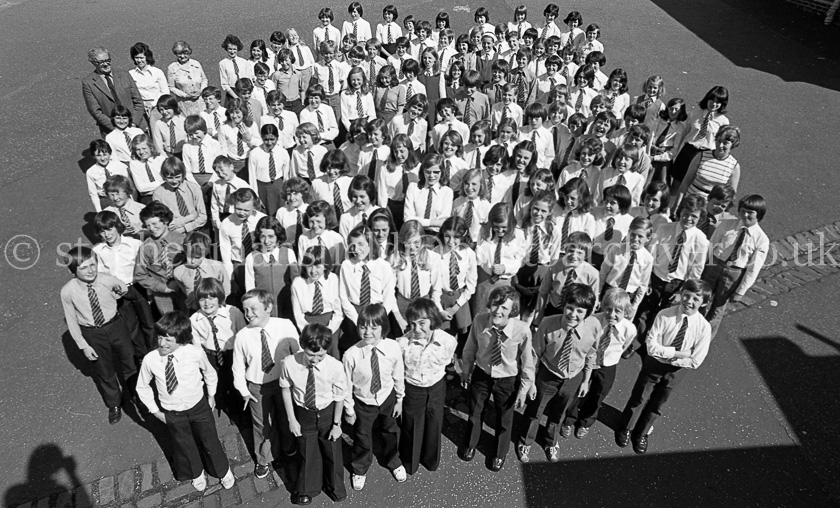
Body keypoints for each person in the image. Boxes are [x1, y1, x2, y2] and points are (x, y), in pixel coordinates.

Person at [136, 312, 235, 492]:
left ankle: (222, 470)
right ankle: (196, 472)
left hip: (199, 407)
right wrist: (155, 412)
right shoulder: (151, 359)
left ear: (181, 339)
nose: (161, 343)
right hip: (172, 411)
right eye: (159, 337)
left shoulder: (194, 353)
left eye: (168, 339)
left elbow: (210, 373)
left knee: (209, 439)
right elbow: (142, 387)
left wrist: (211, 396)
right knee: (183, 444)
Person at [616, 279, 712, 454]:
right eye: (686, 296)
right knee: (639, 397)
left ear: (704, 303)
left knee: (657, 404)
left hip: (676, 371)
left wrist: (669, 356)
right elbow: (651, 347)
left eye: (695, 299)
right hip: (654, 365)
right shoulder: (664, 315)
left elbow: (696, 360)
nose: (689, 302)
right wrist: (679, 354)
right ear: (681, 294)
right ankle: (626, 427)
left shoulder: (704, 328)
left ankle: (642, 432)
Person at [516, 283, 598, 463]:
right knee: (535, 411)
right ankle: (526, 441)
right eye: (569, 308)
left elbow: (591, 354)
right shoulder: (548, 324)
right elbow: (534, 354)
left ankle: (551, 441)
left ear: (588, 313)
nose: (573, 314)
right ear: (564, 305)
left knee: (558, 413)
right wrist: (530, 383)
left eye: (580, 311)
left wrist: (586, 380)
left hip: (572, 378)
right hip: (547, 375)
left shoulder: (594, 327)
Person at [460, 285, 535, 472]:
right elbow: (470, 346)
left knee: (504, 418)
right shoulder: (479, 320)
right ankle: (471, 443)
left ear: (512, 311)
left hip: (507, 379)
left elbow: (527, 362)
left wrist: (524, 389)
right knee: (475, 411)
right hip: (482, 374)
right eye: (495, 305)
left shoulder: (523, 330)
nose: (498, 311)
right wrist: (466, 369)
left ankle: (500, 453)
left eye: (504, 308)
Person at [60, 247, 136, 424]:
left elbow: (123, 288)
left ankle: (137, 395)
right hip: (92, 333)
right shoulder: (68, 291)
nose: (90, 270)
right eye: (84, 268)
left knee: (129, 361)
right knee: (104, 370)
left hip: (115, 326)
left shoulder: (106, 280)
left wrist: (117, 291)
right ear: (73, 271)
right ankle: (114, 403)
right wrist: (83, 345)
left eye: (93, 265)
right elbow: (71, 320)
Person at [232, 289, 301, 478]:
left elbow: (298, 351)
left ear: (268, 307)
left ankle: (289, 447)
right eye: (245, 310)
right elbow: (237, 367)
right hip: (257, 387)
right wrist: (244, 391)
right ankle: (263, 458)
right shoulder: (243, 336)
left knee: (285, 416)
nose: (249, 314)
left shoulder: (284, 325)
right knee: (262, 425)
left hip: (283, 383)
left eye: (253, 308)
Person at [280, 323, 347, 505]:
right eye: (311, 354)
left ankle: (334, 486)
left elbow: (340, 396)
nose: (316, 359)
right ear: (303, 346)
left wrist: (336, 424)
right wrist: (292, 419)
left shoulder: (335, 366)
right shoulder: (289, 363)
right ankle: (307, 488)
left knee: (332, 450)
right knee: (307, 450)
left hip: (327, 412)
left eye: (321, 355)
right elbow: (286, 389)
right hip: (304, 413)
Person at [342, 303, 407, 490]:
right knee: (362, 436)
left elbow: (398, 374)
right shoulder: (351, 355)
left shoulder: (393, 347)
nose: (368, 332)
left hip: (387, 397)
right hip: (363, 402)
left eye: (374, 327)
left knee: (391, 430)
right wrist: (349, 409)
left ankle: (393, 460)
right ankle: (360, 468)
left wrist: (399, 400)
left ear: (384, 327)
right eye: (363, 326)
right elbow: (346, 385)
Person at [561, 288, 636, 439]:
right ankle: (569, 418)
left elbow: (624, 346)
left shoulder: (629, 329)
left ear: (626, 312)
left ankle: (585, 422)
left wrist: (610, 358)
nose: (612, 314)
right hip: (587, 362)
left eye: (618, 311)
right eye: (608, 309)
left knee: (598, 395)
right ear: (602, 307)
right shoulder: (592, 320)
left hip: (607, 365)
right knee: (579, 392)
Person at [397, 298, 457, 475]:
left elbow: (446, 361)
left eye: (422, 323)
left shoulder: (448, 341)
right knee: (412, 426)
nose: (416, 329)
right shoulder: (402, 344)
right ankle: (411, 462)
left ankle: (430, 460)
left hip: (436, 386)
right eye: (412, 324)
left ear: (433, 319)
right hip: (413, 389)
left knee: (434, 422)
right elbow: (400, 372)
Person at [703, 194, 769, 339]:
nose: (745, 215)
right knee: (701, 297)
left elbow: (753, 269)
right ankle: (692, 328)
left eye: (750, 213)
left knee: (718, 308)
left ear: (759, 215)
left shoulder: (761, 239)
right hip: (715, 264)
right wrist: (704, 264)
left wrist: (741, 291)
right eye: (743, 210)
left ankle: (705, 338)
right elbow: (712, 244)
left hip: (733, 273)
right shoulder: (727, 224)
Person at [190, 278, 246, 413]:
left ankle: (241, 413)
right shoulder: (194, 320)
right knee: (219, 384)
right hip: (211, 356)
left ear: (219, 298)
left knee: (235, 383)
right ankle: (225, 406)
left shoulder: (233, 312)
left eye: (211, 298)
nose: (207, 303)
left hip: (232, 354)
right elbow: (197, 345)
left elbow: (243, 334)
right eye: (202, 299)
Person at [82, 46, 146, 136]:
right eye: (101, 62)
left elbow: (138, 101)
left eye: (108, 60)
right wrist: (117, 128)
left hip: (136, 127)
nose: (106, 64)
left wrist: (134, 123)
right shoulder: (88, 83)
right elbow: (95, 111)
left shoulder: (124, 75)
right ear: (93, 63)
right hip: (112, 132)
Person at [134, 202, 184, 315]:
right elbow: (140, 275)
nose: (151, 228)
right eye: (147, 225)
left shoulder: (182, 239)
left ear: (165, 220)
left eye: (154, 223)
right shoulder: (145, 248)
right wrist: (162, 287)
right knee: (171, 324)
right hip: (162, 295)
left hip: (184, 290)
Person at [128, 42, 170, 133]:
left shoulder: (157, 72)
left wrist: (152, 104)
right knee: (143, 134)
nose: (139, 60)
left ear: (147, 57)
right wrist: (142, 104)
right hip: (140, 107)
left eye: (141, 57)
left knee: (158, 133)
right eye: (136, 58)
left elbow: (165, 92)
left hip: (157, 107)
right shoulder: (131, 74)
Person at [167, 41, 208, 118]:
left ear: (189, 53)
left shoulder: (196, 64)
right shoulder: (172, 68)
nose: (182, 56)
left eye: (185, 53)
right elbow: (171, 87)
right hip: (185, 105)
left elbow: (204, 80)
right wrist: (186, 95)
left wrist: (201, 91)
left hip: (200, 103)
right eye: (179, 53)